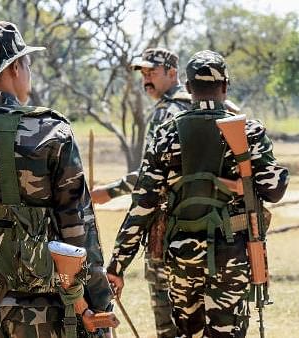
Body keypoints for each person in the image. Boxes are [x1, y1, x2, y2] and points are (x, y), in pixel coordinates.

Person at [0, 21, 112, 337]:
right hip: (41, 309)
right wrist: (98, 303)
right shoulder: (51, 132)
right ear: (16, 67)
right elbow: (78, 230)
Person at [106, 50, 289, 338]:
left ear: (188, 87)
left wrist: (117, 266)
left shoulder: (166, 134)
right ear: (225, 86)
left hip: (181, 258)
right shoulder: (248, 131)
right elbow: (275, 189)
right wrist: (242, 183)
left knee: (187, 333)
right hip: (232, 255)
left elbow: (143, 205)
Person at [91, 47, 190, 338]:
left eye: (153, 73)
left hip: (167, 228)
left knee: (169, 323)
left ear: (173, 73)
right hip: (204, 229)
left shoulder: (168, 112)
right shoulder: (198, 104)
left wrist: (110, 191)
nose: (146, 79)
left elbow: (152, 176)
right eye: (144, 74)